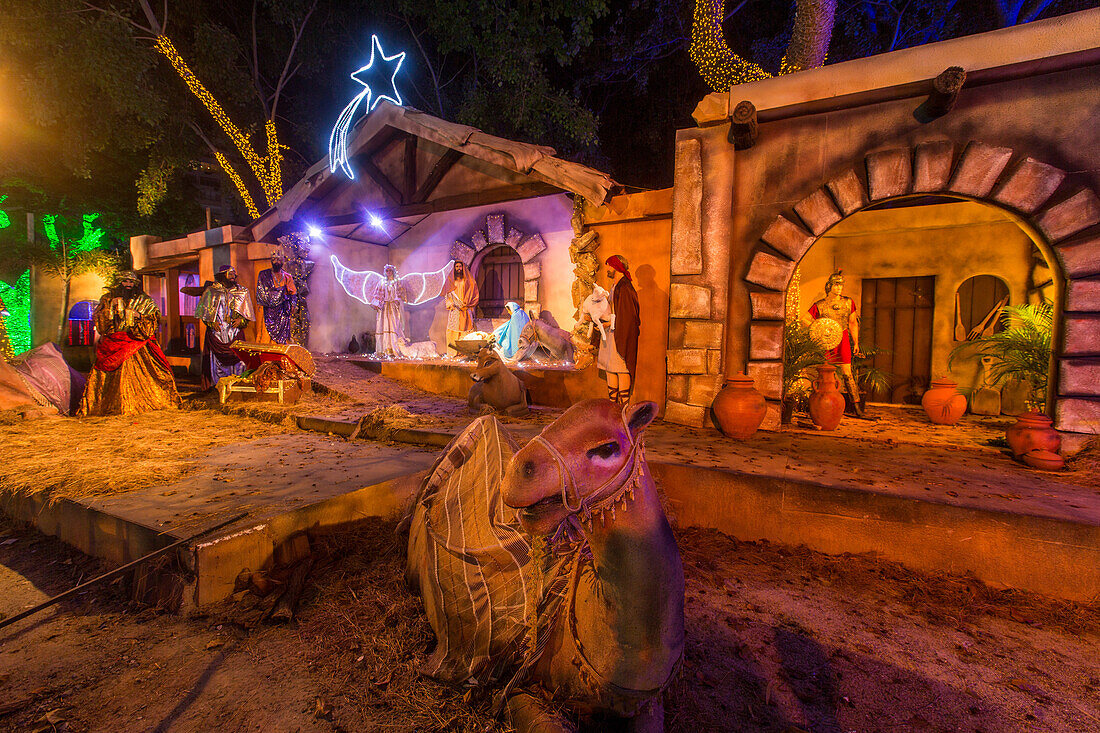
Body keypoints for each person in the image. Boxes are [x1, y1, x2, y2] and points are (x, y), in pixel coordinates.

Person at [78, 271, 180, 416]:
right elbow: (99, 319)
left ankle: (141, 403)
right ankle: (109, 405)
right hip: (113, 342)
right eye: (125, 282)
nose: (128, 285)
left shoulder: (144, 300)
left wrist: (139, 315)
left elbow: (153, 319)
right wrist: (110, 308)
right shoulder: (108, 299)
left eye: (131, 282)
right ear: (119, 282)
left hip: (136, 342)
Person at [809, 270, 864, 416]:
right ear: (829, 286)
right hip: (826, 341)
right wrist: (819, 330)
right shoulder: (820, 305)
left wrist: (856, 343)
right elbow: (806, 320)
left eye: (841, 285)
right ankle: (822, 406)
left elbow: (852, 323)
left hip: (843, 339)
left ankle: (857, 408)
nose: (839, 288)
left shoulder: (848, 303)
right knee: (824, 373)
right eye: (836, 285)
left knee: (847, 373)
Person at [591, 255, 640, 406]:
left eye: (609, 266)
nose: (607, 269)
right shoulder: (615, 285)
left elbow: (627, 316)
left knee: (621, 368)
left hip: (620, 334)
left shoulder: (624, 287)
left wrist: (607, 324)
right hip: (610, 335)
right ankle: (613, 406)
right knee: (610, 368)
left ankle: (623, 408)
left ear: (616, 267)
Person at [197, 265, 255, 390]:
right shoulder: (211, 291)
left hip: (234, 333)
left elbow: (247, 313)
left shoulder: (242, 291)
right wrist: (211, 323)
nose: (233, 276)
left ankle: (237, 386)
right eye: (230, 274)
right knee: (217, 362)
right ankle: (219, 387)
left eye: (234, 273)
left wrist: (241, 320)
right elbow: (204, 313)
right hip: (218, 334)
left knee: (238, 360)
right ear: (222, 275)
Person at [256, 252, 298, 345]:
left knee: (284, 334)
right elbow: (260, 291)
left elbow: (293, 293)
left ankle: (281, 353)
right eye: (274, 259)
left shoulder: (287, 276)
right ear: (271, 261)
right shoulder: (264, 274)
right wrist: (267, 301)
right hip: (269, 308)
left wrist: (293, 304)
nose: (277, 262)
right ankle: (267, 354)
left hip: (283, 309)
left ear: (283, 261)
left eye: (279, 260)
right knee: (266, 333)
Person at [444, 261, 479, 353]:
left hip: (465, 309)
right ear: (454, 268)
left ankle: (466, 352)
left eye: (460, 266)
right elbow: (447, 295)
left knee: (466, 328)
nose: (458, 268)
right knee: (454, 328)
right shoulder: (451, 281)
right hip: (455, 309)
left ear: (463, 268)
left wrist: (467, 304)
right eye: (456, 267)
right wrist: (451, 304)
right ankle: (454, 352)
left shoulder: (467, 281)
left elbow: (473, 292)